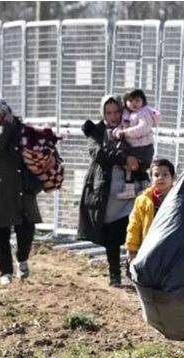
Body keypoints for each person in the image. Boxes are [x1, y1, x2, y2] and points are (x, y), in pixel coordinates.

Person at [77, 95, 142, 287]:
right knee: (112, 235)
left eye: (116, 112)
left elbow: (143, 150)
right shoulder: (96, 132)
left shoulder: (131, 128)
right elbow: (98, 153)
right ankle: (114, 274)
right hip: (107, 191)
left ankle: (133, 271)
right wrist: (124, 159)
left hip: (132, 188)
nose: (113, 116)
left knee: (134, 232)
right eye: (108, 113)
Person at [0, 97, 43, 286]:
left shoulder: (20, 128)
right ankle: (5, 272)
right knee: (0, 234)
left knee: (27, 229)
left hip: (22, 189)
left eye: (1, 113)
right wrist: (5, 127)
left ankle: (22, 258)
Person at [113, 89, 161, 199]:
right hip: (134, 147)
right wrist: (116, 132)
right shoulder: (127, 114)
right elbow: (120, 127)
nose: (134, 103)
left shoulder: (144, 113)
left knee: (137, 167)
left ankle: (145, 189)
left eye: (137, 100)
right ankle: (132, 189)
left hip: (144, 147)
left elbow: (143, 128)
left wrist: (125, 133)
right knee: (131, 168)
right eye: (130, 100)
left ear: (143, 101)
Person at [124, 158, 175, 260]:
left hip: (172, 251)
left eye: (165, 174)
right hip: (149, 249)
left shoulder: (179, 199)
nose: (160, 178)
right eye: (156, 175)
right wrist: (131, 250)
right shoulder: (143, 200)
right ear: (151, 178)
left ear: (173, 177)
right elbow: (134, 226)